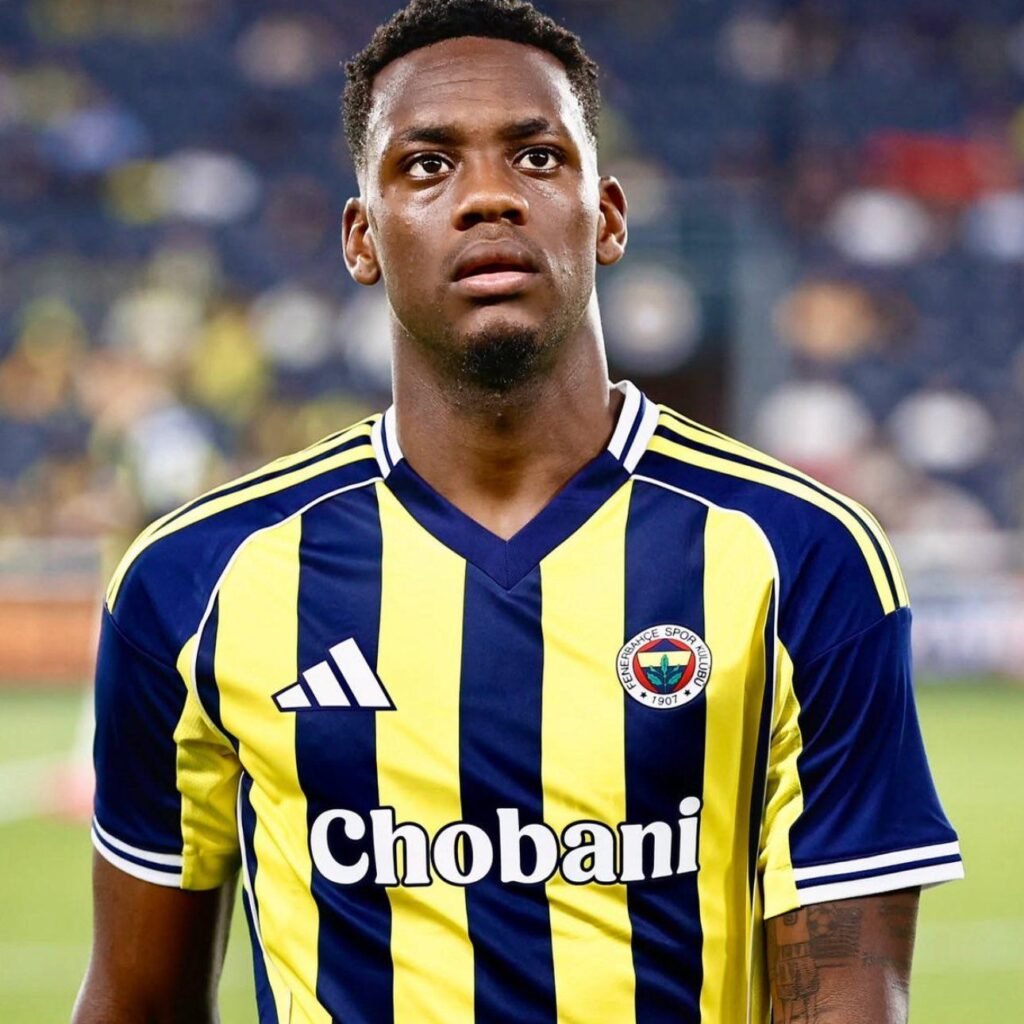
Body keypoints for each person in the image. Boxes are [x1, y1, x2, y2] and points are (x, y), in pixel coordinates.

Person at [73, 1, 962, 1021]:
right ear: (362, 239)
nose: (488, 196)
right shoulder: (197, 580)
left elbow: (846, 992)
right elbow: (135, 999)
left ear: (608, 216)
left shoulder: (800, 557)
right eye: (427, 165)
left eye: (537, 158)